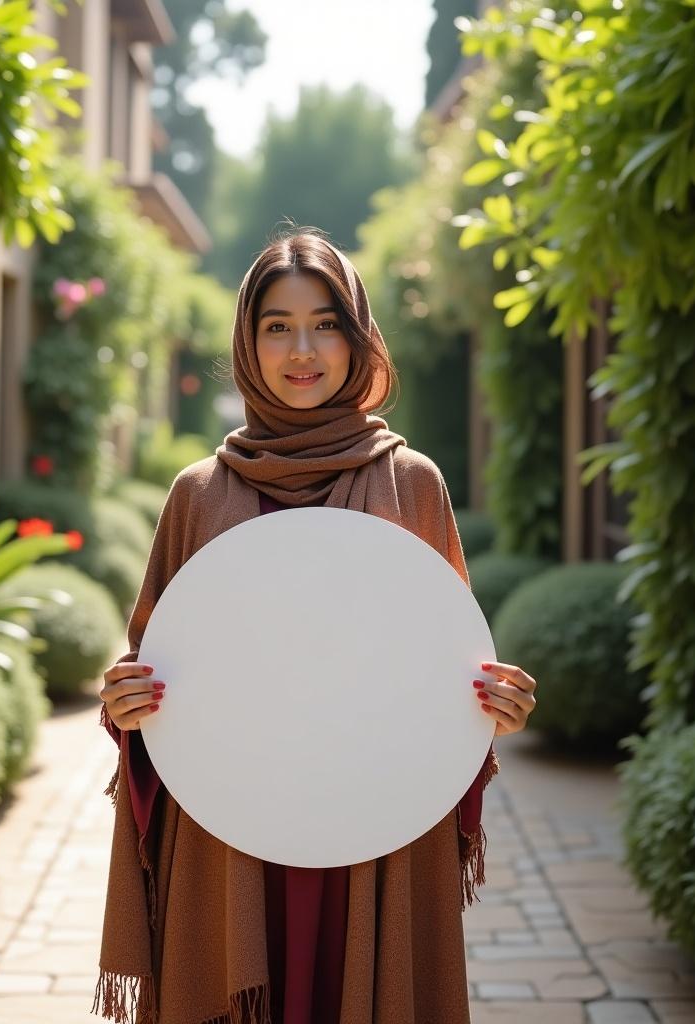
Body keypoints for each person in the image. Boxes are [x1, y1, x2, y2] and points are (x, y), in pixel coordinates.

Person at [94, 230, 538, 1024]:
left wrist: (490, 705)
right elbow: (155, 682)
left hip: (374, 827)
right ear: (247, 341)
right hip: (229, 825)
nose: (303, 349)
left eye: (326, 322)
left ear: (358, 336)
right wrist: (125, 703)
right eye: (277, 325)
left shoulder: (412, 485)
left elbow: (443, 673)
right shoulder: (198, 495)